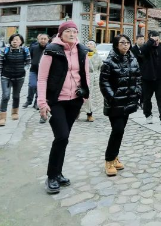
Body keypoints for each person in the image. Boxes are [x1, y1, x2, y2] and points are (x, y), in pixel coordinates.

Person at [37, 20, 90, 194]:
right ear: (60, 34)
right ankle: (51, 176)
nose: (72, 34)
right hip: (56, 101)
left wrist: (85, 96)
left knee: (64, 139)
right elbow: (42, 78)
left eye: (74, 31)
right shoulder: (51, 50)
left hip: (74, 100)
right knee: (61, 136)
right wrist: (42, 102)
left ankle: (58, 173)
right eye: (68, 31)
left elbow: (85, 74)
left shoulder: (81, 50)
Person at [99, 34, 141, 176]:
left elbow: (138, 77)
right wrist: (113, 97)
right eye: (122, 43)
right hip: (115, 103)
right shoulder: (109, 62)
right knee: (117, 130)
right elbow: (104, 82)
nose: (125, 45)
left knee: (120, 130)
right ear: (116, 45)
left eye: (127, 42)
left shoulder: (132, 59)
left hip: (128, 101)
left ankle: (115, 156)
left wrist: (138, 92)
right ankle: (109, 159)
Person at [0, 33, 31, 126]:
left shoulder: (25, 50)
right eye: (13, 39)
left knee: (16, 96)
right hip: (6, 76)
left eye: (17, 40)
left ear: (21, 42)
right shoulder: (5, 50)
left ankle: (15, 112)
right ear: (10, 41)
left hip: (19, 77)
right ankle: (2, 117)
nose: (15, 41)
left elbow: (28, 62)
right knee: (5, 96)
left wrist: (25, 68)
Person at [140, 30, 161, 124]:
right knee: (147, 98)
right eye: (154, 39)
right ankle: (148, 115)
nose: (156, 41)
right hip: (147, 78)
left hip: (160, 78)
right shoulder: (146, 48)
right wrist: (151, 41)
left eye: (158, 38)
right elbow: (143, 49)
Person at [23, 33, 49, 111]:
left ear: (48, 40)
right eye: (41, 39)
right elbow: (28, 58)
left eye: (45, 39)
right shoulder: (33, 48)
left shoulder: (50, 48)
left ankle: (36, 102)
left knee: (40, 87)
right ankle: (29, 100)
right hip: (34, 70)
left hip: (44, 72)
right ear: (38, 39)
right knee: (32, 85)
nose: (43, 40)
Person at [80, 39, 101, 122]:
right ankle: (78, 111)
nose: (89, 45)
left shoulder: (97, 56)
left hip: (94, 78)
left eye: (91, 44)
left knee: (90, 96)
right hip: (84, 77)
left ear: (94, 46)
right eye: (88, 44)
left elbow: (100, 67)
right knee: (81, 95)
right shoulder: (82, 55)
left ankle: (89, 114)